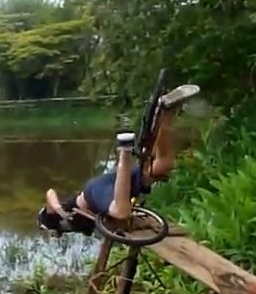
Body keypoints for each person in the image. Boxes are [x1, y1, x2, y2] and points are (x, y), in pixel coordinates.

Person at [37, 84, 200, 237]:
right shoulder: (68, 229)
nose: (50, 236)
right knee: (163, 165)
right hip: (112, 188)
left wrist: (60, 211)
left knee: (120, 212)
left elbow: (50, 193)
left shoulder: (51, 221)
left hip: (94, 194)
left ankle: (125, 149)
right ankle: (165, 112)